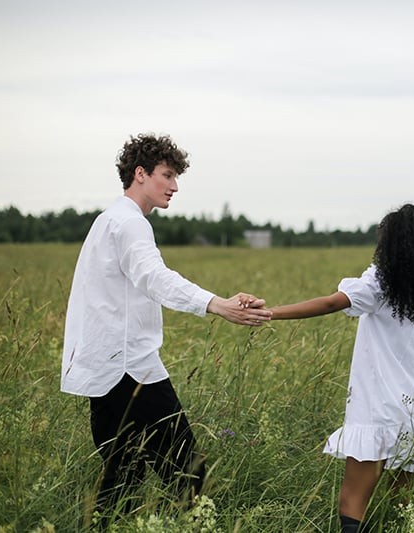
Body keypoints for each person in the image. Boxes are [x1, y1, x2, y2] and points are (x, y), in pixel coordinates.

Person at [61, 133, 272, 527]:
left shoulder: (108, 220)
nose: (174, 186)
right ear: (140, 174)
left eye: (176, 178)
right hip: (129, 370)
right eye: (167, 175)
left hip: (102, 369)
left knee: (122, 482)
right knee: (188, 474)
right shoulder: (129, 224)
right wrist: (217, 304)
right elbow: (154, 277)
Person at [269, 204, 414, 532]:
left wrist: (271, 313)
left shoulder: (380, 284)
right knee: (398, 501)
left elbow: (332, 302)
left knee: (354, 499)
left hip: (377, 405)